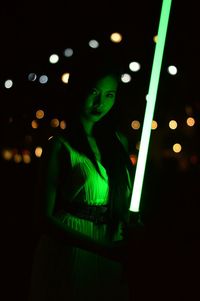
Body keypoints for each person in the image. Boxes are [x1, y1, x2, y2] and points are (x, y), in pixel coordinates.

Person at [29, 51, 135, 301]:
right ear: (79, 90)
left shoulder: (118, 143)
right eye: (94, 92)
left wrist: (132, 225)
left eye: (110, 95)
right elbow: (44, 217)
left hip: (110, 248)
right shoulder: (60, 146)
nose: (101, 103)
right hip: (71, 250)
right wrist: (100, 248)